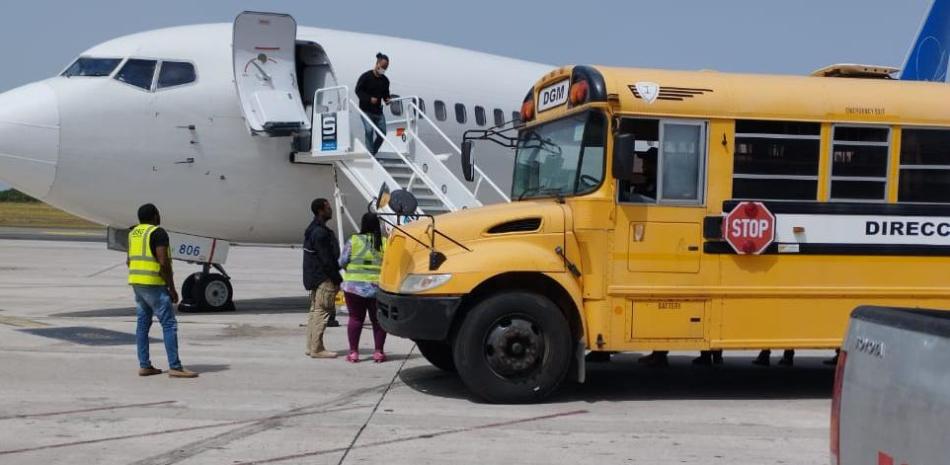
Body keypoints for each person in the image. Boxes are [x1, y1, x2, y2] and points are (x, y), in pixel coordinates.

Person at [128, 204, 197, 378]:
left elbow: (128, 260)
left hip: (137, 283)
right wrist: (171, 288)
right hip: (154, 284)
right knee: (169, 324)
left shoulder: (133, 233)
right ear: (155, 216)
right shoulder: (158, 233)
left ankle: (145, 365)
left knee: (142, 325)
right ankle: (175, 366)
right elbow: (163, 262)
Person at [339, 212, 388, 363]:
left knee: (355, 318)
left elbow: (342, 261)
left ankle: (353, 353)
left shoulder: (354, 240)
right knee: (378, 321)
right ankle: (378, 352)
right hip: (377, 288)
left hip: (354, 287)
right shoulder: (384, 242)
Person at [303, 198, 343, 358]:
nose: (331, 210)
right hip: (323, 278)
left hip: (313, 277)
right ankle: (317, 348)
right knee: (322, 312)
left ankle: (310, 346)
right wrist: (337, 279)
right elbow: (327, 260)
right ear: (320, 210)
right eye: (328, 208)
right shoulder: (320, 233)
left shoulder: (312, 229)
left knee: (314, 311)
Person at [355, 53, 391, 155]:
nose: (383, 69)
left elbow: (385, 95)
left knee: (382, 134)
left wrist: (388, 100)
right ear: (377, 64)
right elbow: (358, 90)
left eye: (386, 68)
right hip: (366, 110)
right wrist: (369, 99)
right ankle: (371, 154)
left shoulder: (385, 81)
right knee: (369, 130)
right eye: (383, 66)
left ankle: (372, 153)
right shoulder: (366, 77)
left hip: (378, 112)